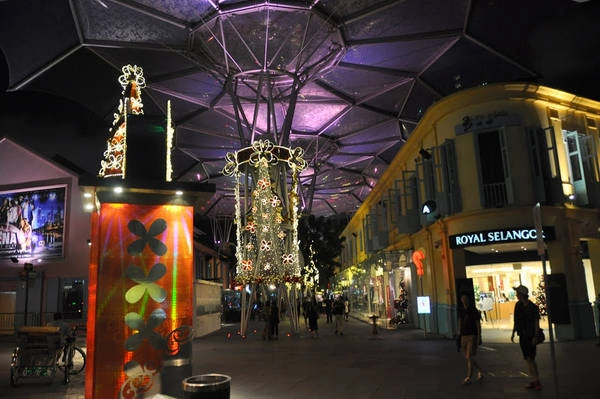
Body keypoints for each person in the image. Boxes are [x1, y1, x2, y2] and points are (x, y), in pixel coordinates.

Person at [511, 285, 542, 391]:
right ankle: (534, 380)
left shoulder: (532, 307)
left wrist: (536, 336)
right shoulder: (518, 306)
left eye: (517, 293)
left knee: (531, 359)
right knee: (527, 359)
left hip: (530, 335)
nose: (516, 295)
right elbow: (516, 320)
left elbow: (536, 322)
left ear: (522, 295)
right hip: (523, 336)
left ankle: (537, 380)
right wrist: (513, 332)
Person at [457, 294, 483, 384]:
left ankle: (469, 377)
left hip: (472, 335)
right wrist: (459, 334)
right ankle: (480, 370)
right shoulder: (461, 311)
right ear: (461, 300)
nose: (464, 301)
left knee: (468, 356)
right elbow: (460, 322)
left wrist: (479, 336)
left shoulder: (473, 310)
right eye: (463, 299)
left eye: (465, 299)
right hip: (464, 335)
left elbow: (477, 324)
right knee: (468, 357)